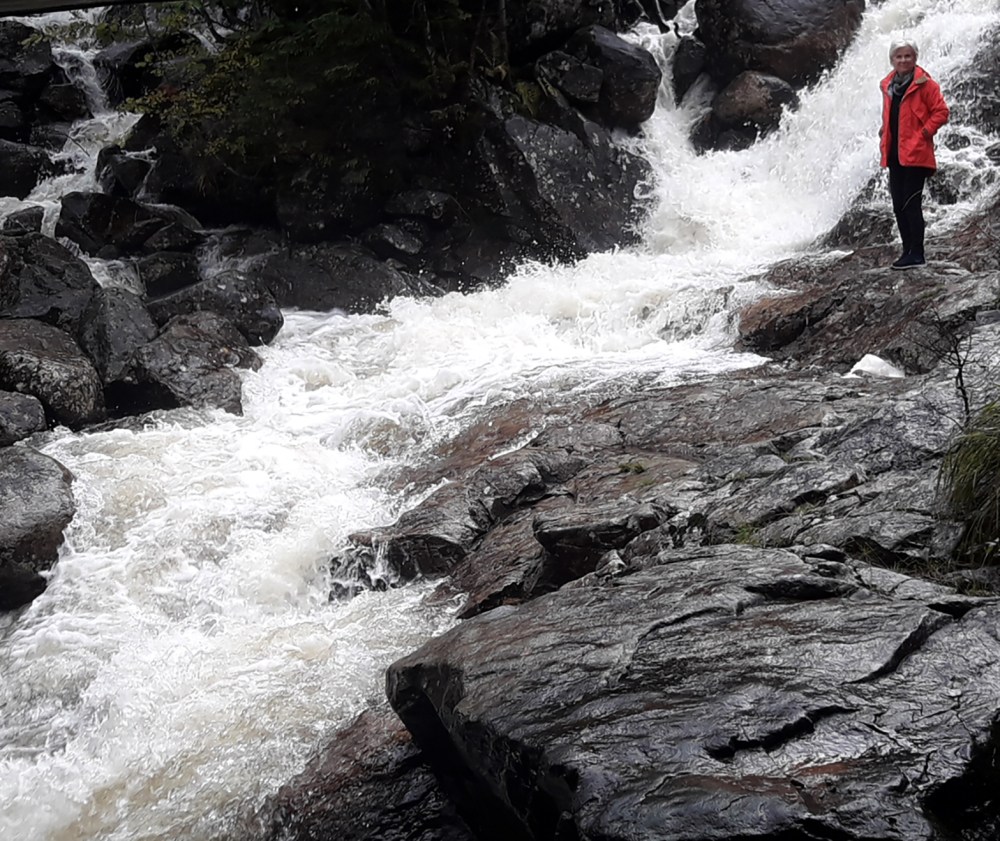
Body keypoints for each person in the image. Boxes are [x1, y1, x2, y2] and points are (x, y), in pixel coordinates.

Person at [879, 39, 950, 270]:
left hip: (916, 152)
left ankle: (917, 253)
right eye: (899, 57)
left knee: (911, 202)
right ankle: (906, 251)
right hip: (894, 151)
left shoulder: (925, 84)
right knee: (898, 203)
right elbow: (893, 115)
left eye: (907, 56)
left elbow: (941, 111)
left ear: (915, 58)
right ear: (892, 60)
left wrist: (925, 133)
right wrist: (884, 130)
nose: (903, 60)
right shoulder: (888, 85)